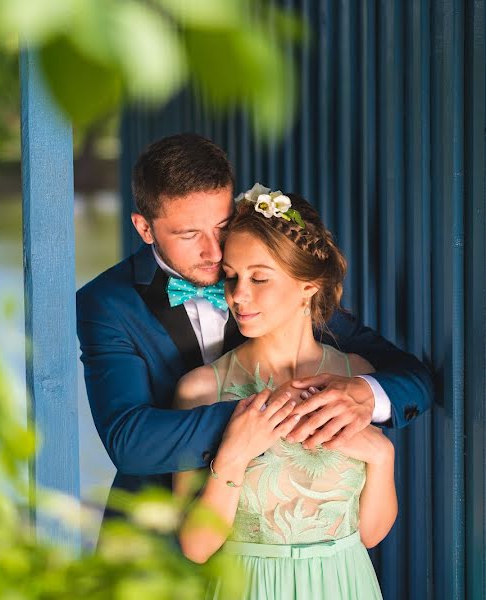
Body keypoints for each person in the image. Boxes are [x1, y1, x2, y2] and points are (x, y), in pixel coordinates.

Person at [76, 133, 431, 543]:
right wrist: (272, 413)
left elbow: (413, 377)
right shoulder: (107, 303)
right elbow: (129, 440)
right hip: (157, 547)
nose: (214, 251)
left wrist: (364, 395)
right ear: (144, 228)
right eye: (190, 234)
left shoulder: (276, 285)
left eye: (223, 225)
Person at [174, 190, 393, 598]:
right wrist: (235, 454)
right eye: (232, 276)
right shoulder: (201, 388)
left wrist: (382, 457)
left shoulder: (357, 377)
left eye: (259, 278)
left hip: (345, 583)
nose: (238, 295)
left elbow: (370, 535)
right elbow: (197, 547)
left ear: (308, 286)